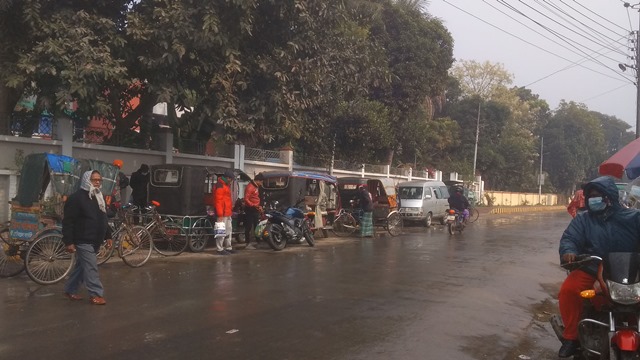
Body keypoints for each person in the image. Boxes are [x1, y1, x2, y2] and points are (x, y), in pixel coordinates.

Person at [557, 176, 640, 357]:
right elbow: (570, 238)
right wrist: (568, 252)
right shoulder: (583, 220)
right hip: (592, 268)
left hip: (628, 272)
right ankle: (571, 337)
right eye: (591, 196)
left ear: (609, 197)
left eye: (598, 195)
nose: (593, 199)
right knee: (569, 290)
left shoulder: (633, 217)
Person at [62, 170, 112, 305]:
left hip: (95, 239)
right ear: (86, 180)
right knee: (91, 266)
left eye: (99, 180)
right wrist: (69, 241)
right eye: (94, 179)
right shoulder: (76, 198)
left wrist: (108, 235)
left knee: (82, 267)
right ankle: (96, 294)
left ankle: (70, 289)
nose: (97, 182)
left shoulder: (98, 197)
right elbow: (68, 221)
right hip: (82, 239)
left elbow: (103, 218)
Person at [214, 170, 235, 255]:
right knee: (221, 231)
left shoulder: (225, 185)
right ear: (228, 178)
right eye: (232, 179)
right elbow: (218, 201)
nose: (232, 181)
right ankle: (219, 249)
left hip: (227, 212)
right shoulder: (220, 185)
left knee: (228, 230)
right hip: (222, 213)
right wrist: (220, 214)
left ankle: (228, 247)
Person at [243, 176, 263, 250]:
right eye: (261, 182)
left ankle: (258, 241)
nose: (261, 184)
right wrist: (253, 205)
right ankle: (247, 243)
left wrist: (258, 206)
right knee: (248, 226)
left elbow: (256, 197)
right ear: (257, 180)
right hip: (250, 209)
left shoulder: (256, 187)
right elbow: (246, 199)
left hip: (255, 208)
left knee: (257, 226)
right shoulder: (250, 187)